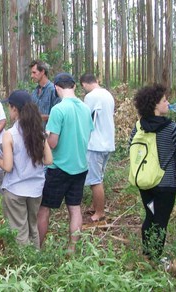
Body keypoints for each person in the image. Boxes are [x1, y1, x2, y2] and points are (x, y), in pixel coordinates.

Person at [130, 84, 176, 263]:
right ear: (155, 105)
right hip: (166, 183)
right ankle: (155, 258)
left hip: (145, 181)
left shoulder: (139, 126)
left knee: (150, 216)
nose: (168, 103)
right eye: (164, 100)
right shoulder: (169, 127)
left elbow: (132, 145)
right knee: (161, 221)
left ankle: (147, 253)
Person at [0, 90, 52, 248]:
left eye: (9, 107)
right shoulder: (38, 131)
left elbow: (8, 167)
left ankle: (25, 268)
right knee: (33, 228)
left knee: (20, 232)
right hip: (36, 189)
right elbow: (49, 160)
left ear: (14, 109)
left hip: (16, 189)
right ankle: (36, 259)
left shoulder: (10, 134)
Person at [37, 73, 93, 252]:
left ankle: (38, 247)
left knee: (44, 209)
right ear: (75, 86)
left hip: (59, 167)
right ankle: (72, 247)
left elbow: (53, 142)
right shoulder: (85, 108)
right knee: (74, 208)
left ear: (56, 87)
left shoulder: (58, 110)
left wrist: (44, 136)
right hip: (80, 166)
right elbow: (88, 133)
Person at [79, 73, 115, 222]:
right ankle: (95, 207)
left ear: (84, 84)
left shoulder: (91, 97)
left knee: (95, 181)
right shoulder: (107, 94)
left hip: (95, 144)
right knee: (98, 177)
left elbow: (86, 119)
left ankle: (100, 212)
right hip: (107, 142)